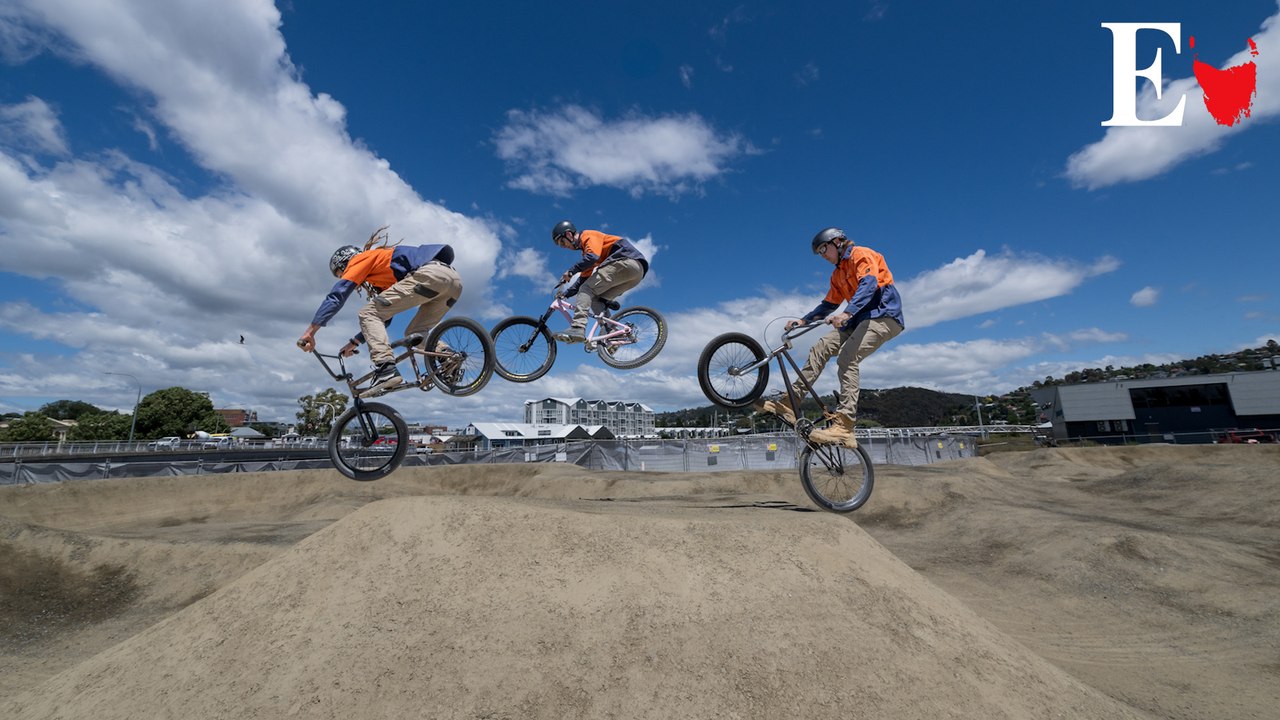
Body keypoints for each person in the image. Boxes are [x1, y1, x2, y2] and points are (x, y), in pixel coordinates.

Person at [754, 227, 904, 448]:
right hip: (856, 320)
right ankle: (791, 400)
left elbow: (869, 285)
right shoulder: (837, 274)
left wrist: (846, 312)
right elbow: (829, 304)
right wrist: (803, 321)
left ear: (837, 242)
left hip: (883, 317)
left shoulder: (861, 254)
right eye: (819, 252)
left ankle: (845, 426)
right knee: (820, 347)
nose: (823, 255)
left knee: (847, 357)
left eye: (824, 249)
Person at [297, 226, 461, 396]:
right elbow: (385, 317)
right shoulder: (382, 275)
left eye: (341, 273)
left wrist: (310, 332)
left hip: (430, 274)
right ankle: (448, 357)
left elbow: (337, 295)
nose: (343, 277)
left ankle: (385, 369)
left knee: (367, 312)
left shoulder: (361, 259)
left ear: (346, 262)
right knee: (415, 334)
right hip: (453, 282)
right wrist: (355, 342)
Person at [550, 220, 649, 343]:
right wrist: (567, 294)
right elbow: (584, 278)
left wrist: (571, 271)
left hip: (626, 261)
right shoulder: (587, 252)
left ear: (569, 234)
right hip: (636, 275)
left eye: (562, 242)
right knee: (595, 299)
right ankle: (613, 334)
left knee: (585, 290)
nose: (563, 247)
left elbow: (592, 257)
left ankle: (578, 327)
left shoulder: (587, 235)